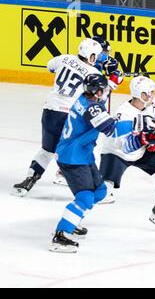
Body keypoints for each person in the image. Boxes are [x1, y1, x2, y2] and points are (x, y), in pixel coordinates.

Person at [49, 73, 134, 253]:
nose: (105, 93)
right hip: (72, 157)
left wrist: (112, 82)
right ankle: (61, 235)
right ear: (97, 92)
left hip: (81, 154)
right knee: (86, 196)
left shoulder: (86, 99)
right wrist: (137, 123)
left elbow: (102, 105)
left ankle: (73, 219)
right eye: (103, 91)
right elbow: (111, 129)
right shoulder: (91, 108)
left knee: (100, 191)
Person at [12, 38, 103, 197]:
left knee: (47, 150)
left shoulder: (64, 58)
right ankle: (87, 187)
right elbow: (100, 95)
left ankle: (28, 182)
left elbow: (50, 66)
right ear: (91, 57)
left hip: (50, 110)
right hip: (71, 116)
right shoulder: (93, 73)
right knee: (78, 150)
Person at [98, 76, 155, 232]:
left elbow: (154, 134)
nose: (153, 95)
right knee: (101, 194)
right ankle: (75, 219)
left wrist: (152, 140)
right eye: (150, 92)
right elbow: (125, 147)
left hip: (141, 152)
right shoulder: (124, 114)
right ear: (141, 94)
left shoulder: (153, 105)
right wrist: (143, 138)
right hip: (116, 154)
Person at [52, 35, 123, 186]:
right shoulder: (91, 71)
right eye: (103, 52)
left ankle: (67, 171)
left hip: (77, 110)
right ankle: (69, 173)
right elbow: (97, 97)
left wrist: (109, 74)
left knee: (81, 142)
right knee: (82, 142)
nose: (106, 56)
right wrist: (113, 82)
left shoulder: (92, 64)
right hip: (83, 113)